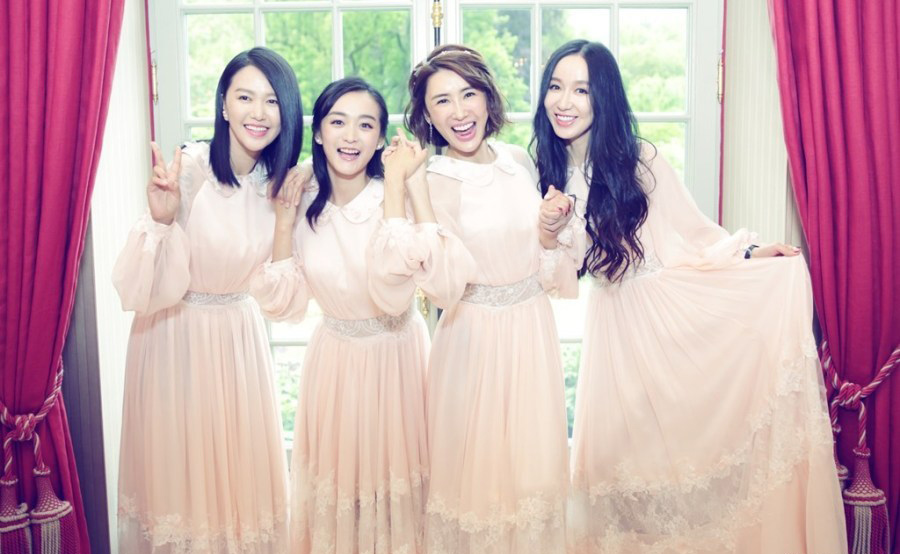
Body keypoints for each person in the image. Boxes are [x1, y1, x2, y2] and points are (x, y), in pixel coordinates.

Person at [534, 39, 847, 553]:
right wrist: (549, 231)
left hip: (663, 322)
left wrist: (748, 254)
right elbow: (561, 280)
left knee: (673, 473)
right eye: (555, 86)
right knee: (616, 479)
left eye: (581, 90)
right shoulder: (549, 171)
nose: (564, 101)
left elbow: (694, 235)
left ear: (603, 98)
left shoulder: (640, 161)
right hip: (612, 330)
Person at [368, 44, 584, 554]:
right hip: (473, 340)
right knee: (478, 486)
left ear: (488, 98)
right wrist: (416, 189)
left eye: (468, 94)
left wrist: (550, 231)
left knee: (532, 476)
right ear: (426, 115)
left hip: (531, 333)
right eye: (441, 101)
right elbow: (442, 286)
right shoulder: (431, 178)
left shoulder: (518, 161)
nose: (459, 111)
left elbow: (547, 263)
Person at [250, 77, 460, 553]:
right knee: (342, 493)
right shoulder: (300, 199)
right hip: (335, 365)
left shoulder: (394, 197)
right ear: (318, 132)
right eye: (337, 122)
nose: (350, 137)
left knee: (396, 492)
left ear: (381, 138)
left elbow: (424, 281)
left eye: (365, 125)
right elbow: (282, 303)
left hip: (397, 359)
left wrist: (400, 186)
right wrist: (283, 221)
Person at [113, 47, 302, 553]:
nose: (258, 113)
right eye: (245, 97)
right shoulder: (191, 169)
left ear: (287, 111)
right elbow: (139, 289)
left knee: (240, 494)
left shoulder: (279, 183)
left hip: (238, 344)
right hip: (175, 339)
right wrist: (162, 220)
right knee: (182, 489)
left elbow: (281, 295)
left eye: (271, 101)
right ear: (223, 105)